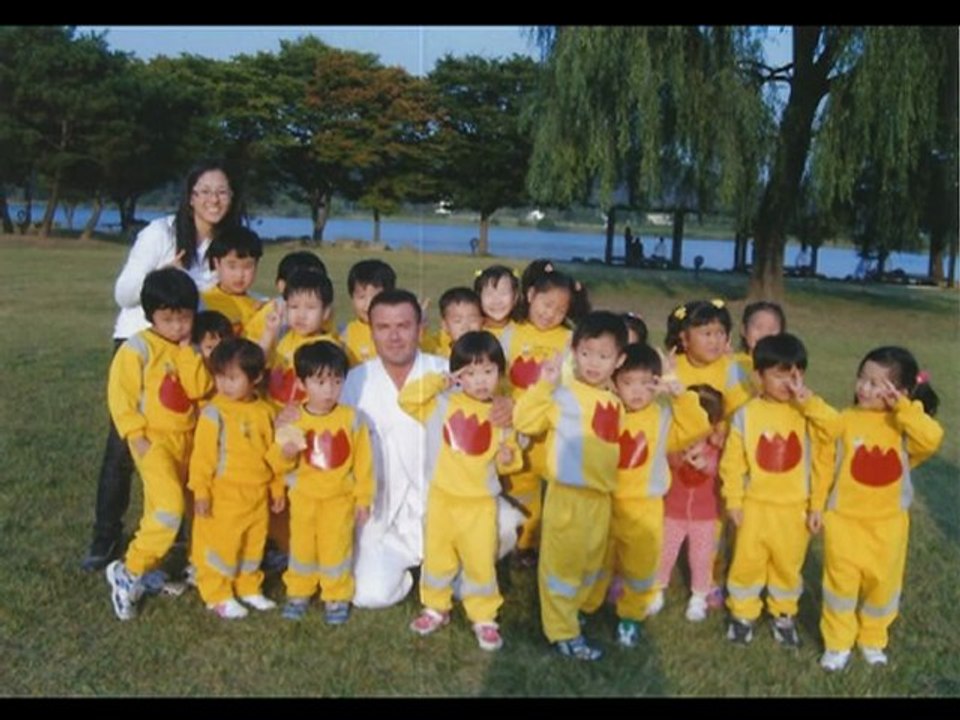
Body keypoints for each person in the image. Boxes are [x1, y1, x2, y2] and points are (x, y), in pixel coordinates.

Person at [82, 160, 242, 572]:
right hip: (143, 343)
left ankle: (178, 540)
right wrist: (161, 275)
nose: (213, 199)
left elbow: (230, 291)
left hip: (188, 350)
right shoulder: (161, 233)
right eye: (205, 191)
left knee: (187, 443)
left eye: (222, 191)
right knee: (126, 443)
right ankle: (105, 539)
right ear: (190, 196)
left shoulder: (225, 244)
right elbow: (123, 293)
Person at [342, 289, 524, 609]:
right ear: (370, 331)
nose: (395, 336)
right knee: (369, 595)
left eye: (404, 325)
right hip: (383, 512)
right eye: (384, 327)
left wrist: (508, 406)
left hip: (450, 501)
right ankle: (421, 571)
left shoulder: (450, 373)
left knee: (506, 524)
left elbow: (496, 400)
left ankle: (457, 572)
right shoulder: (355, 382)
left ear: (421, 328)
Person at [815, 347, 942, 671]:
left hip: (888, 527)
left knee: (882, 587)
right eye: (862, 379)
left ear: (899, 392)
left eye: (875, 384)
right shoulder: (844, 420)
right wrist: (817, 506)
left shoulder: (904, 426)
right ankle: (838, 643)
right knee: (840, 587)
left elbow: (931, 439)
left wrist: (905, 408)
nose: (864, 388)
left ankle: (872, 639)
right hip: (844, 521)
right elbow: (823, 466)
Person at [580, 345, 712, 648]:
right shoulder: (606, 411)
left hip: (645, 506)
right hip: (605, 501)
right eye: (628, 383)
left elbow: (697, 426)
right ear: (614, 383)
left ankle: (630, 618)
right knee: (596, 561)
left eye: (645, 383)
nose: (637, 392)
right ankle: (585, 608)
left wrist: (679, 393)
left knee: (640, 567)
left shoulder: (663, 417)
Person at [513, 311, 626, 661]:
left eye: (604, 356)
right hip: (568, 497)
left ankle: (575, 613)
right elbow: (525, 421)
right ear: (575, 351)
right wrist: (544, 384)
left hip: (600, 500)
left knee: (591, 563)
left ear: (619, 360)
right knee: (562, 567)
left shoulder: (614, 401)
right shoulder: (562, 394)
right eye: (587, 353)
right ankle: (563, 633)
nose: (594, 363)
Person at [400, 331, 522, 652]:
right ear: (457, 375)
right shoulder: (441, 404)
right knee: (437, 557)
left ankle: (484, 616)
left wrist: (508, 457)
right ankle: (435, 607)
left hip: (480, 504)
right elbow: (407, 399)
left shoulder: (501, 414)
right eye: (469, 372)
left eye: (488, 371)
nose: (480, 381)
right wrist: (441, 381)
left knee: (480, 561)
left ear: (500, 373)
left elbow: (510, 456)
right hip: (442, 499)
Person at [104, 268, 213, 620]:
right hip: (154, 444)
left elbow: (198, 389)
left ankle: (187, 565)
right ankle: (129, 570)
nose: (178, 326)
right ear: (152, 316)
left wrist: (187, 353)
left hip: (191, 443)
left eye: (184, 318)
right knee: (167, 508)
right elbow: (121, 397)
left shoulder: (191, 348)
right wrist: (136, 436)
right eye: (169, 319)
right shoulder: (137, 349)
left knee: (190, 504)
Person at [719, 333, 838, 647]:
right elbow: (733, 462)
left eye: (797, 374)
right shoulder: (747, 413)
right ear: (759, 376)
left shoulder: (807, 413)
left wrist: (816, 507)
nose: (789, 382)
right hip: (754, 505)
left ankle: (783, 613)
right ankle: (742, 613)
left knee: (788, 564)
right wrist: (733, 500)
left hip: (794, 509)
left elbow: (836, 430)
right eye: (780, 374)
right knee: (747, 561)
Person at [272, 341, 374, 624]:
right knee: (302, 547)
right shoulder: (294, 418)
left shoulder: (352, 419)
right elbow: (278, 463)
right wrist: (286, 452)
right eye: (320, 382)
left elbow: (364, 464)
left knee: (336, 548)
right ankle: (298, 592)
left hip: (339, 500)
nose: (329, 390)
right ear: (303, 383)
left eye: (336, 381)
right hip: (304, 499)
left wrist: (363, 499)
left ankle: (336, 595)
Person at [498, 262, 591, 565]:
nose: (550, 314)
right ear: (531, 294)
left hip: (552, 432)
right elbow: (496, 377)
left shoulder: (569, 340)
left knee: (560, 491)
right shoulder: (510, 334)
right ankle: (521, 545)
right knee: (521, 489)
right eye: (546, 304)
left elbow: (574, 384)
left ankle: (558, 546)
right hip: (517, 430)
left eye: (560, 310)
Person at [188, 338, 285, 619]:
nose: (224, 384)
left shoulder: (266, 412)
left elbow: (273, 454)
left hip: (256, 495)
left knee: (253, 543)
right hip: (224, 496)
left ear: (255, 377)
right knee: (222, 545)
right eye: (219, 377)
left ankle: (248, 586)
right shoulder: (214, 413)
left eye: (232, 378)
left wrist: (276, 489)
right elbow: (202, 459)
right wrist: (202, 493)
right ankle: (216, 593)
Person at [656, 384, 726, 623]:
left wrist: (705, 464)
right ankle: (657, 590)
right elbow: (666, 460)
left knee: (701, 557)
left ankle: (699, 596)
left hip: (705, 516)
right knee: (664, 552)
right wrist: (680, 456)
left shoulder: (717, 448)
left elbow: (721, 471)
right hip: (672, 512)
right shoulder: (675, 443)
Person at [263, 268, 340, 409]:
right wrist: (269, 332)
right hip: (273, 414)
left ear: (326, 312)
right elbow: (257, 364)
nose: (301, 315)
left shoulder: (328, 348)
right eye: (294, 307)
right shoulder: (284, 338)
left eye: (310, 308)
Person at [198, 226, 266, 339]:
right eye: (232, 266)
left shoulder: (262, 306)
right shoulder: (202, 303)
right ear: (216, 263)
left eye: (247, 266)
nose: (239, 275)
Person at [339, 259, 398, 368]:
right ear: (352, 297)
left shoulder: (398, 331)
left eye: (376, 297)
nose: (368, 304)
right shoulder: (345, 335)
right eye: (361, 297)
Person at [733, 301, 787, 395]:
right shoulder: (730, 363)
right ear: (743, 330)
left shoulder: (786, 369)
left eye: (771, 329)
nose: (764, 334)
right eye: (758, 327)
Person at [421, 286, 483, 358]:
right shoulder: (438, 352)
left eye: (473, 320)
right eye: (458, 321)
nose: (466, 327)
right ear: (445, 325)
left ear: (482, 321)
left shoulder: (491, 349)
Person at [474, 264, 520, 339]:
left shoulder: (526, 331)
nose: (497, 300)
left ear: (515, 297)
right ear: (479, 297)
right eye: (489, 293)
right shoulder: (471, 331)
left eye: (503, 293)